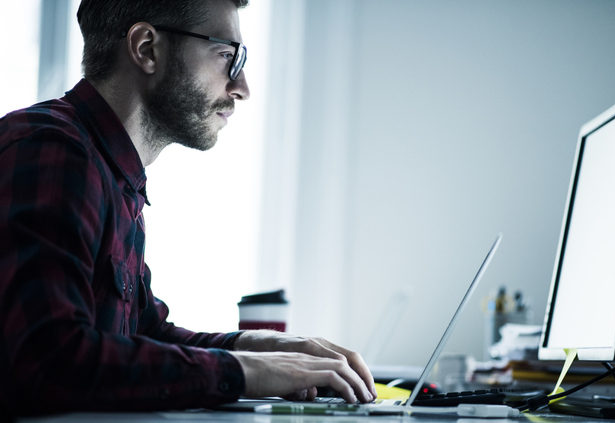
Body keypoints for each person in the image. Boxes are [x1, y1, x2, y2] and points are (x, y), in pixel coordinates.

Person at [0, 0, 376, 415]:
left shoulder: (111, 172)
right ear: (146, 48)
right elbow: (50, 359)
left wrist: (259, 347)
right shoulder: (53, 151)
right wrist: (243, 371)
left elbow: (143, 335)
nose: (242, 87)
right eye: (227, 56)